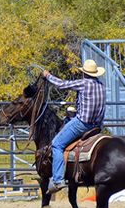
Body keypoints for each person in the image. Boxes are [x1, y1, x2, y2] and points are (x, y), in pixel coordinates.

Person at [42, 59, 106, 194]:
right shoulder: (101, 86)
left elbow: (62, 84)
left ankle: (58, 179)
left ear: (85, 73)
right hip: (97, 126)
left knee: (57, 144)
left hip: (82, 123)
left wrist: (48, 76)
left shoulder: (83, 83)